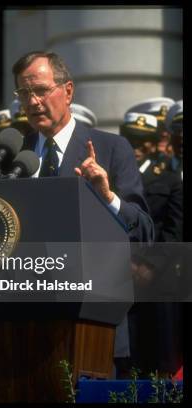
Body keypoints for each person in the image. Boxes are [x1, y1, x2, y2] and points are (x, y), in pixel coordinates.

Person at [13, 51, 153, 243]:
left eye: (41, 90)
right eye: (24, 93)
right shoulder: (15, 154)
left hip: (87, 271)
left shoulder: (112, 148)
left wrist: (107, 197)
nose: (32, 102)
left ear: (68, 92)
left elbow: (144, 232)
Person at [119, 111, 183, 378]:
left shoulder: (169, 180)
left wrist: (150, 265)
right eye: (131, 139)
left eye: (143, 140)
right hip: (119, 276)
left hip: (158, 280)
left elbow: (174, 231)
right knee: (124, 354)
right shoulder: (112, 180)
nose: (136, 146)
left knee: (159, 356)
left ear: (155, 143)